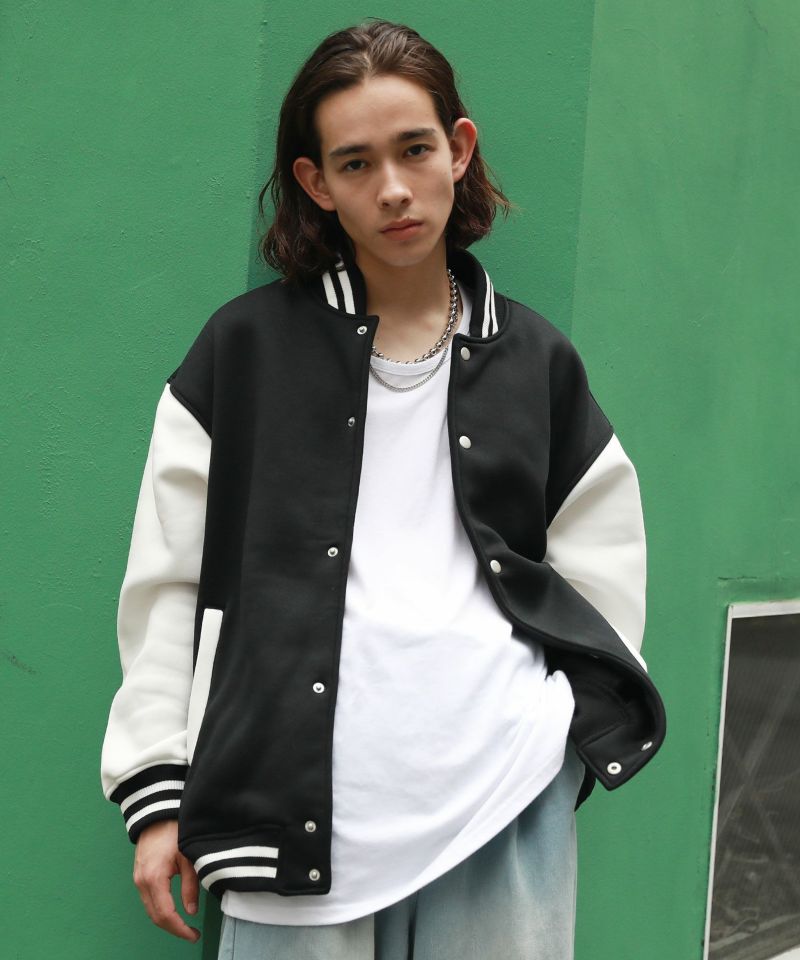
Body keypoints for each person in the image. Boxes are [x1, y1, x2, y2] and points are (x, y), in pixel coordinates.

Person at [100, 18, 666, 960]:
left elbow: (603, 564)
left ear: (460, 149)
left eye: (415, 149)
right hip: (286, 809)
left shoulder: (536, 360)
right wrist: (157, 791)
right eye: (356, 164)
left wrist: (556, 737)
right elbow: (168, 587)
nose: (394, 189)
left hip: (500, 799)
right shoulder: (243, 353)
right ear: (317, 183)